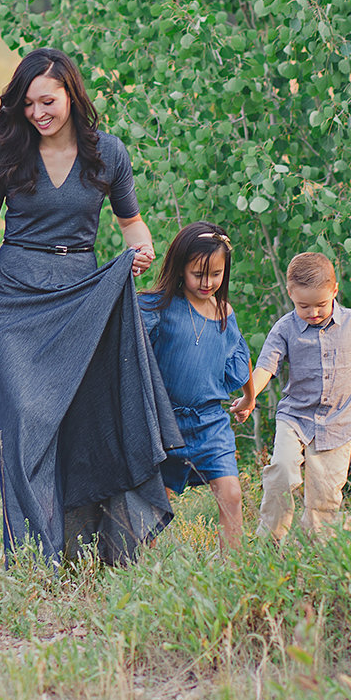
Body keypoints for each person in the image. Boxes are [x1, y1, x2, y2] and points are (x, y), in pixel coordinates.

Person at [0, 47, 178, 565]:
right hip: (16, 299)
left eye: (48, 101)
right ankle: (30, 553)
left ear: (71, 94)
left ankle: (86, 547)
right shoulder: (7, 154)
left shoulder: (107, 153)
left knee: (78, 420)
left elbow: (131, 222)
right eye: (28, 104)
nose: (38, 113)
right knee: (25, 418)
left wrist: (143, 249)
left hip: (82, 294)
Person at [230, 252, 351, 540]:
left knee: (324, 496)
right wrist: (249, 397)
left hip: (339, 420)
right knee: (281, 472)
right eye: (303, 306)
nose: (314, 312)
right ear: (290, 294)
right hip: (295, 417)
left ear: (335, 291)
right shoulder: (284, 328)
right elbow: (265, 367)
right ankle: (269, 544)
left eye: (321, 304)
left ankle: (318, 553)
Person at [138, 223, 252, 551]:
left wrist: (248, 398)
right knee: (155, 506)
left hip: (210, 423)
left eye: (215, 274)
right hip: (164, 425)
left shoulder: (224, 313)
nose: (207, 283)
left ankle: (232, 570)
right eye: (198, 274)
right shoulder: (158, 306)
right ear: (179, 268)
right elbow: (126, 344)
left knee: (230, 494)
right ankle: (140, 566)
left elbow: (238, 359)